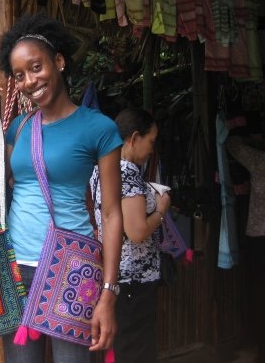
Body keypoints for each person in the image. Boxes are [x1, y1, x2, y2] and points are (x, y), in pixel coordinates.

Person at [0, 14, 124, 363]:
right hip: (15, 265)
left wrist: (108, 292)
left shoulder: (99, 128)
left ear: (59, 62)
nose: (29, 81)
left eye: (36, 67)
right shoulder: (19, 127)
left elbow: (111, 213)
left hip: (72, 265)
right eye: (19, 75)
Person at [90, 108, 171, 363]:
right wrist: (161, 210)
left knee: (124, 348)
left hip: (114, 275)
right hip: (134, 279)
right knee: (136, 351)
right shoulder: (128, 174)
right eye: (151, 142)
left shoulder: (101, 168)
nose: (151, 150)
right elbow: (137, 232)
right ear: (135, 138)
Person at [226, 133, 265, 363]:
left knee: (262, 294)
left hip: (261, 237)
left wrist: (255, 142)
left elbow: (232, 144)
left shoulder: (262, 161)